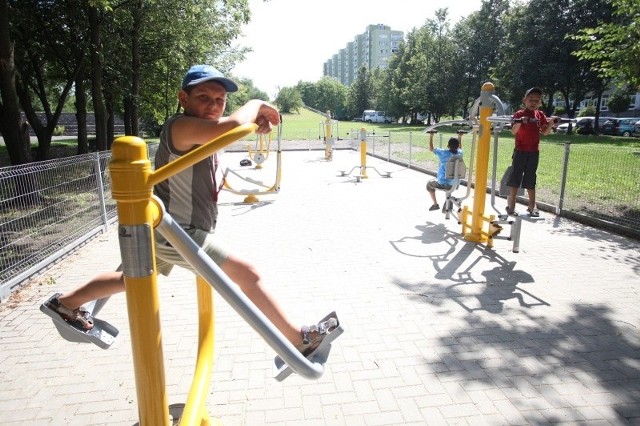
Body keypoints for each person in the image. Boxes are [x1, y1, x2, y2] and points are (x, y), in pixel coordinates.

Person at [44, 65, 332, 355]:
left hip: (169, 228)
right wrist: (258, 104)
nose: (213, 105)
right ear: (184, 98)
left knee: (131, 280)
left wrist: (257, 122)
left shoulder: (202, 131)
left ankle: (65, 303)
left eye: (220, 100)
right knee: (247, 274)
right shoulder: (180, 127)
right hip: (177, 231)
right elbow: (231, 128)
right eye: (204, 97)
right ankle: (298, 338)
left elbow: (228, 131)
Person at [506, 87, 557, 217]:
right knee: (515, 177)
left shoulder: (539, 115)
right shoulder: (519, 114)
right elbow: (513, 131)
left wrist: (551, 123)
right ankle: (511, 206)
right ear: (525, 100)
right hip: (520, 150)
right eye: (531, 99)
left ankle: (532, 206)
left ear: (540, 102)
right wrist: (521, 121)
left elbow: (545, 132)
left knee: (531, 178)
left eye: (536, 100)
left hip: (534, 151)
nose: (533, 102)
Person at [426, 135, 463, 211]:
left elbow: (431, 148)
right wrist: (460, 137)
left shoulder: (443, 153)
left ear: (447, 146)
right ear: (458, 146)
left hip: (444, 184)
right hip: (456, 184)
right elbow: (460, 148)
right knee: (448, 182)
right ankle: (448, 200)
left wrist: (431, 136)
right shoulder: (460, 153)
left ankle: (435, 204)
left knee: (429, 184)